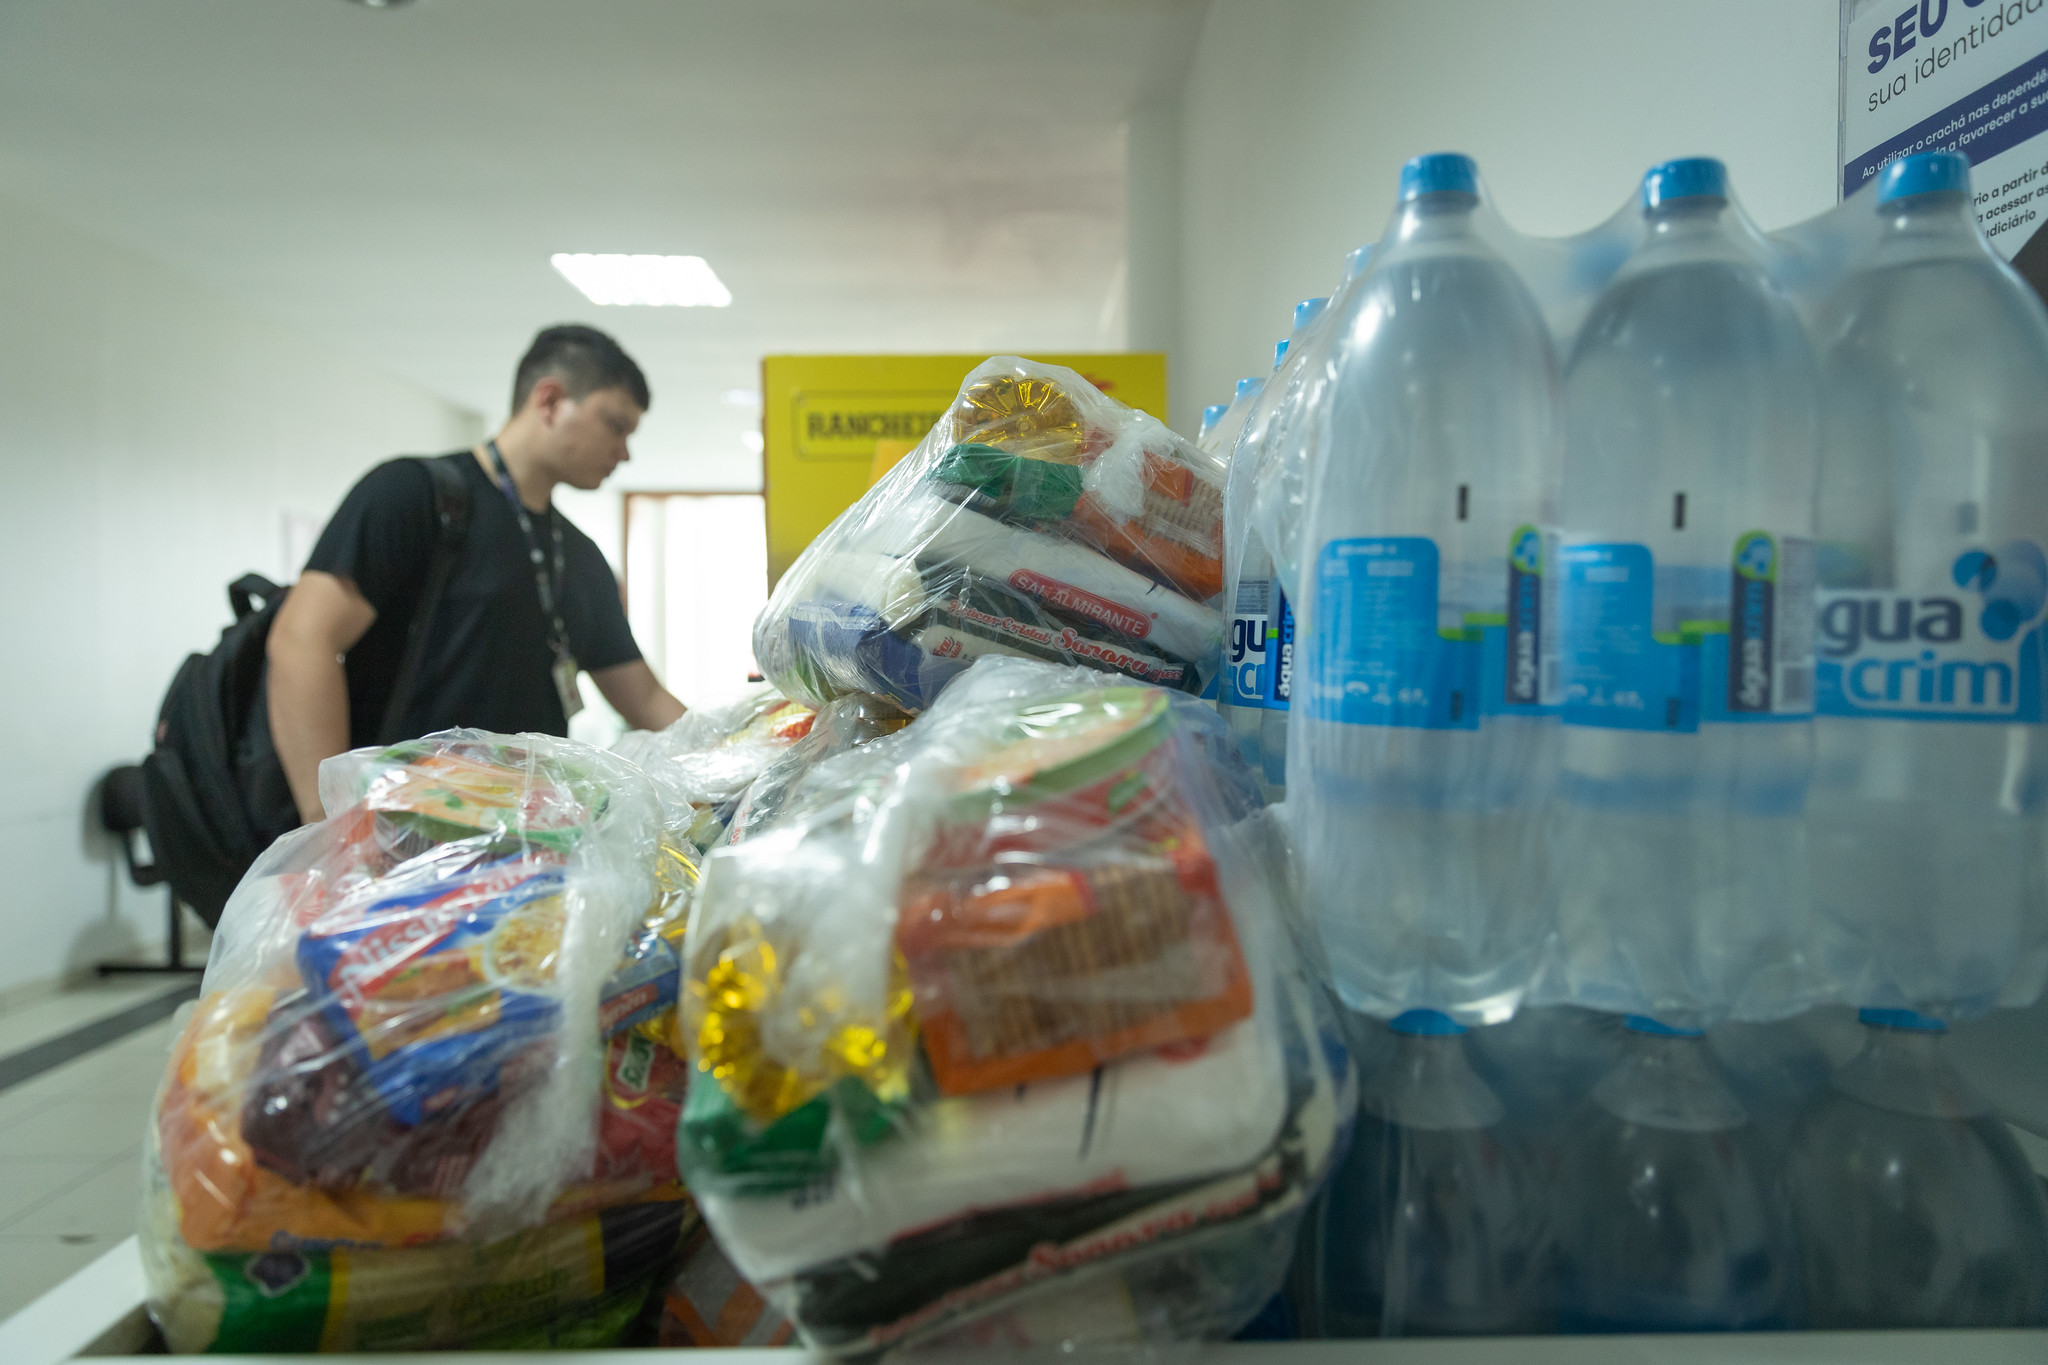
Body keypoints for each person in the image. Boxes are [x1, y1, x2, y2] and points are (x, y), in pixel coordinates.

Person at [267, 324, 686, 823]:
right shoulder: (413, 496)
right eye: (615, 426)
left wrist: (741, 751)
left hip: (523, 838)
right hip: (400, 830)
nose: (624, 452)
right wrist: (330, 822)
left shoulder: (581, 557)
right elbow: (302, 640)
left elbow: (644, 698)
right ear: (550, 401)